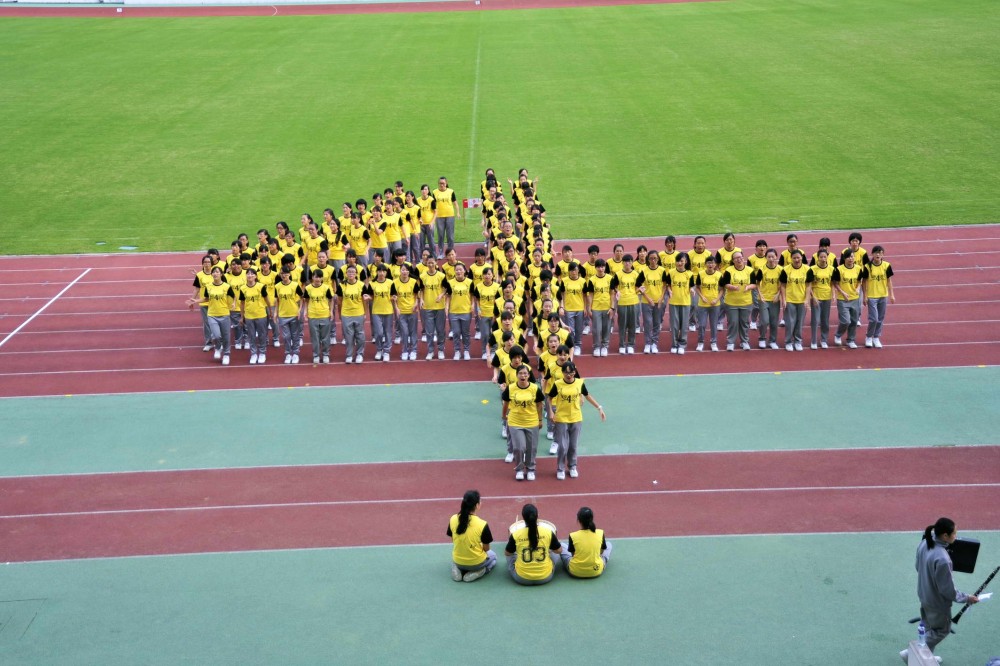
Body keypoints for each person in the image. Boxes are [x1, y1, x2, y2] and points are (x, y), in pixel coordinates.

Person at [900, 518, 978, 662]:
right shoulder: (943, 559)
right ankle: (911, 653)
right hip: (937, 603)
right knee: (941, 630)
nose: (956, 536)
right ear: (945, 536)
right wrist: (967, 598)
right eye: (954, 533)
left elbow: (918, 567)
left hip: (923, 594)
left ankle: (925, 657)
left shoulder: (924, 543)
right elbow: (947, 590)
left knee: (929, 627)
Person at [548, 361, 605, 480]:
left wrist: (599, 408)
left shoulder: (579, 383)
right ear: (562, 373)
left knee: (573, 446)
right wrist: (551, 412)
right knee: (562, 446)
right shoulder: (558, 384)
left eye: (571, 372)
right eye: (566, 372)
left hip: (576, 418)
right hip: (561, 418)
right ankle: (560, 469)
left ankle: (572, 467)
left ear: (575, 372)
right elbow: (549, 398)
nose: (569, 375)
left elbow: (587, 395)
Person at [501, 364, 545, 481]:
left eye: (525, 373)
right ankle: (519, 469)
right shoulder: (511, 388)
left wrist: (540, 420)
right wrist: (504, 415)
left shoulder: (534, 388)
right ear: (516, 375)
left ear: (529, 375)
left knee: (531, 448)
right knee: (519, 447)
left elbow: (539, 404)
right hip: (515, 422)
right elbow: (505, 403)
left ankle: (530, 469)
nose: (523, 376)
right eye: (520, 373)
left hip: (532, 422)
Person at [504, 503, 563, 586]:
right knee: (555, 552)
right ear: (537, 516)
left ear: (523, 518)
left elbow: (507, 553)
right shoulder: (548, 532)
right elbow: (559, 551)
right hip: (545, 577)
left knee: (510, 555)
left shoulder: (516, 534)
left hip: (522, 578)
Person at [446, 490, 497, 583]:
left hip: (458, 560)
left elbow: (453, 540)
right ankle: (481, 571)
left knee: (458, 558)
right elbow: (486, 549)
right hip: (476, 563)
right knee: (493, 556)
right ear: (477, 505)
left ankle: (457, 569)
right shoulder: (482, 524)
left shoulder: (453, 519)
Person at [188, 266, 235, 365]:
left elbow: (233, 296)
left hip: (224, 314)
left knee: (226, 336)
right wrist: (196, 300)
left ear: (221, 274)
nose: (215, 274)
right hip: (212, 314)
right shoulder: (209, 286)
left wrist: (234, 303)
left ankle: (226, 354)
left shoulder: (227, 286)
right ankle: (218, 348)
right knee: (216, 335)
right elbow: (206, 298)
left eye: (217, 272)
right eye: (214, 272)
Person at [560, 507, 612, 578]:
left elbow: (573, 555)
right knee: (609, 545)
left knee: (562, 545)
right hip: (596, 570)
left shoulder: (573, 535)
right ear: (592, 518)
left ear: (579, 520)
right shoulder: (600, 533)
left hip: (575, 571)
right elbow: (601, 552)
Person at [718, 251, 756, 351]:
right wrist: (732, 287)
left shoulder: (750, 270)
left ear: (743, 258)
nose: (739, 259)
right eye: (736, 258)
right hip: (731, 302)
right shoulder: (729, 270)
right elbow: (725, 284)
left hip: (746, 302)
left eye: (740, 257)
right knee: (733, 322)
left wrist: (748, 287)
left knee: (744, 323)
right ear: (733, 260)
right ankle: (730, 342)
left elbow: (754, 284)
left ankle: (744, 341)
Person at [862, 245, 895, 348]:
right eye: (876, 252)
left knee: (880, 318)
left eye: (880, 253)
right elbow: (864, 282)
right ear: (872, 254)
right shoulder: (867, 267)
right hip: (872, 296)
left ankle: (876, 337)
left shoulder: (886, 265)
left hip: (883, 295)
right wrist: (865, 296)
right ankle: (869, 336)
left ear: (883, 254)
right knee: (874, 319)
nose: (878, 254)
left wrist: (892, 295)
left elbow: (889, 281)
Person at [239, 268, 273, 365]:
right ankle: (253, 354)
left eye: (252, 274)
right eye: (248, 274)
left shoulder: (261, 286)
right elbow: (242, 303)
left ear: (255, 276)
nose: (250, 275)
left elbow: (267, 300)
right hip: (249, 316)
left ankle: (262, 353)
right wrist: (242, 316)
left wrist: (270, 311)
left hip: (261, 314)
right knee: (251, 335)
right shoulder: (243, 288)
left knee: (262, 335)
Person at [833, 250, 863, 348]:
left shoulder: (858, 269)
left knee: (854, 321)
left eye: (852, 257)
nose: (851, 259)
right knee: (846, 321)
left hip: (855, 298)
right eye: (849, 257)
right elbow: (835, 283)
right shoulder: (839, 269)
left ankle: (850, 340)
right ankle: (838, 335)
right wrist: (843, 293)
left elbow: (859, 280)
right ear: (844, 258)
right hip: (843, 299)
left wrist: (858, 288)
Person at [432, 176, 460, 259]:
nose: (442, 185)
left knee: (450, 235)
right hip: (439, 216)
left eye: (443, 183)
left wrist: (458, 212)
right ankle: (441, 252)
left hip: (450, 215)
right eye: (440, 183)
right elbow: (432, 206)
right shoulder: (434, 192)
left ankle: (450, 252)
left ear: (446, 183)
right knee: (440, 235)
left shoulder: (451, 191)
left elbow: (455, 203)